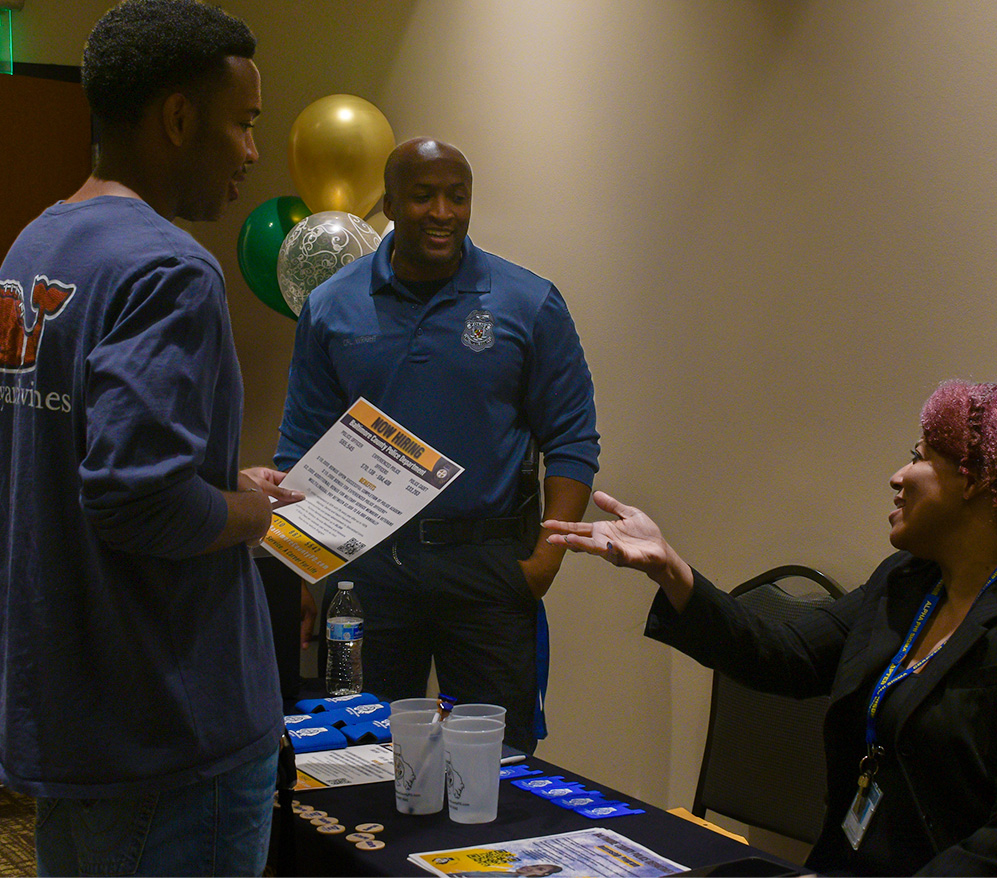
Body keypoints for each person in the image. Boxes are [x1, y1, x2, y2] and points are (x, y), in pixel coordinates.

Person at [545, 380, 997, 876]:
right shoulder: (908, 584)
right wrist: (670, 568)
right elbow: (779, 654)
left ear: (977, 481)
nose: (896, 475)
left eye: (919, 457)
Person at [0, 1, 301, 874]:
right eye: (243, 124)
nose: (250, 153)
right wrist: (252, 513)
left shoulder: (36, 246)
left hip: (77, 716)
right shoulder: (169, 267)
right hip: (171, 733)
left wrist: (214, 474)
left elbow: (79, 457)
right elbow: (136, 498)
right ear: (178, 117)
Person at [276, 138, 599, 753]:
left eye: (457, 196)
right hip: (368, 571)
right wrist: (296, 571)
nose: (442, 212)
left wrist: (543, 562)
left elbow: (573, 440)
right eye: (423, 196)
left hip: (488, 569)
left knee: (499, 762)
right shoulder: (331, 306)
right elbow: (301, 446)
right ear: (391, 205)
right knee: (359, 755)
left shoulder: (528, 303)